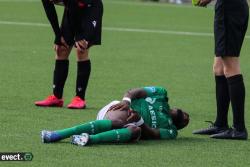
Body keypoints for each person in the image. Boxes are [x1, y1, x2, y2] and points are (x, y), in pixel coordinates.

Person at [41, 86, 189, 146]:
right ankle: (57, 134)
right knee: (120, 120)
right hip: (118, 110)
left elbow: (153, 134)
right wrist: (126, 101)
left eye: (185, 122)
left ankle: (87, 139)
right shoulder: (161, 94)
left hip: (134, 126)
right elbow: (134, 91)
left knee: (135, 131)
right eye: (185, 114)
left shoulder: (171, 131)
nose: (186, 118)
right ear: (176, 107)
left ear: (179, 126)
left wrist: (140, 121)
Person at [192, 0, 248, 140]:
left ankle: (239, 129)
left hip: (231, 8)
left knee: (230, 66)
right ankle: (221, 123)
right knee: (218, 68)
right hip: (228, 8)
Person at [35, 0, 103, 109]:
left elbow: (74, 7)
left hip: (91, 8)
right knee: (61, 48)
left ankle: (79, 98)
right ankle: (56, 97)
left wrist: (79, 36)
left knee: (81, 49)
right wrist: (58, 36)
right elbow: (50, 10)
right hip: (72, 9)